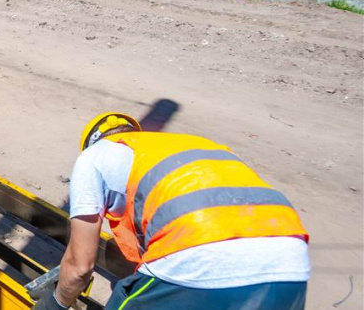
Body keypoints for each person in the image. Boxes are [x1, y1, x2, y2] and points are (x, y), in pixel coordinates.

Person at [34, 113, 310, 310]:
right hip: (291, 263)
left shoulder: (93, 157)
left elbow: (80, 267)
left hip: (200, 254)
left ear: (92, 143)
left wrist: (55, 303)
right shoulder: (188, 146)